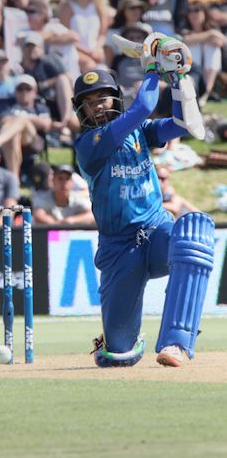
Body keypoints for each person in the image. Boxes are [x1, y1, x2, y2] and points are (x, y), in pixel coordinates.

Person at [71, 36, 215, 369]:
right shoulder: (89, 145)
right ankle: (118, 338)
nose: (98, 106)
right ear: (82, 111)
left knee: (194, 234)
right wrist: (153, 68)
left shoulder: (141, 132)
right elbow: (143, 107)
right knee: (118, 355)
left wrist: (177, 77)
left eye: (104, 99)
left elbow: (183, 125)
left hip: (156, 231)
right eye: (90, 102)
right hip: (119, 249)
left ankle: (177, 343)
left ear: (115, 100)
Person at [0, 73, 52, 180]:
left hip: (33, 141)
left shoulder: (40, 107)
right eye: (20, 89)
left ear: (35, 92)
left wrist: (24, 119)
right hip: (12, 138)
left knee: (21, 119)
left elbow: (46, 124)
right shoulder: (8, 105)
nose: (24, 92)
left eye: (28, 88)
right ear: (15, 91)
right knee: (14, 135)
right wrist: (24, 120)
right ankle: (14, 180)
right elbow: (3, 120)